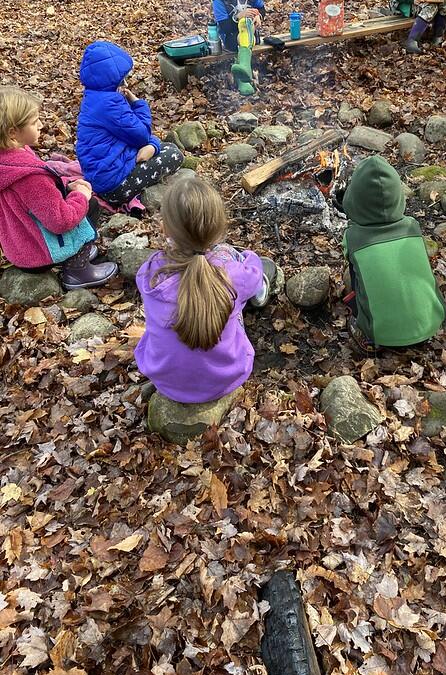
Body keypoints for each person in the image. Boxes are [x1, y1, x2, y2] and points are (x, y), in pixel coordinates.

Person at [135, 176, 277, 403]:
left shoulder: (149, 272)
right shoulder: (232, 272)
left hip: (166, 381)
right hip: (225, 378)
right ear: (219, 227)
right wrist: (248, 256)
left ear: (164, 229)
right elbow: (254, 268)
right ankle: (259, 293)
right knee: (233, 271)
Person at [0, 86, 117, 290]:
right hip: (40, 252)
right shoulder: (30, 177)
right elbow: (61, 221)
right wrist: (80, 195)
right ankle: (76, 270)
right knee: (90, 205)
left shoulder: (8, 161)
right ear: (13, 133)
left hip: (20, 246)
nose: (42, 125)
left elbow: (36, 197)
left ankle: (72, 255)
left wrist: (67, 185)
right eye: (35, 122)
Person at [341, 155, 445, 354]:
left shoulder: (352, 237)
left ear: (354, 199)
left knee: (353, 271)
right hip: (432, 322)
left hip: (381, 334)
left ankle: (367, 338)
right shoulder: (413, 227)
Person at [76, 41, 183, 208]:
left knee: (162, 146)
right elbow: (141, 136)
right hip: (114, 186)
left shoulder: (94, 96)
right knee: (174, 153)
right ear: (109, 80)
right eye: (121, 79)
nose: (125, 84)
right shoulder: (110, 103)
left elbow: (128, 132)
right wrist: (138, 104)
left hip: (100, 175)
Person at [212, 0, 266, 97]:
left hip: (252, 34)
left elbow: (262, 9)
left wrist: (258, 16)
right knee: (243, 23)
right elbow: (224, 25)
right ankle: (244, 73)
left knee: (247, 23)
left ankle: (243, 73)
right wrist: (238, 16)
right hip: (229, 39)